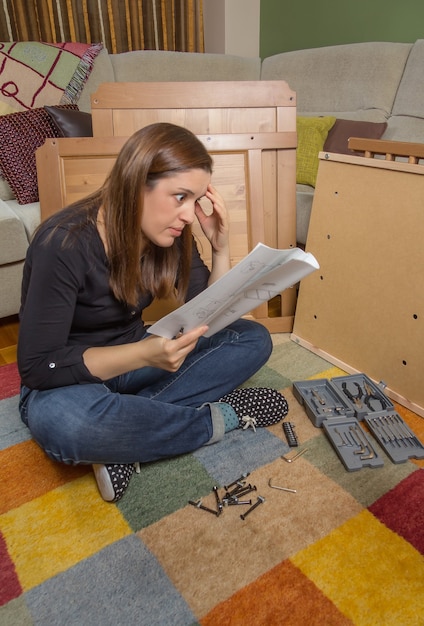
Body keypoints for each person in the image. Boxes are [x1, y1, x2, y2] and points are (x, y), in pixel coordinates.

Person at [18, 122, 288, 503]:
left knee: (252, 337)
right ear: (136, 182)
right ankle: (222, 417)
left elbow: (205, 316)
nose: (190, 215)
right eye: (180, 197)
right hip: (67, 381)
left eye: (195, 200)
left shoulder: (172, 234)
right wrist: (146, 353)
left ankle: (126, 436)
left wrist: (221, 248)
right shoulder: (62, 243)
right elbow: (36, 367)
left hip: (135, 355)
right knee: (70, 425)